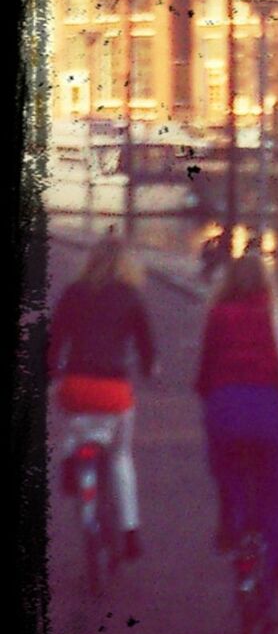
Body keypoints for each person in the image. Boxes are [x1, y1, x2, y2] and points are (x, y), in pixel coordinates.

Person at [194, 250, 278, 627]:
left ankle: (231, 524)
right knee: (276, 505)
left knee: (228, 475)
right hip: (268, 413)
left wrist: (211, 393)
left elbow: (205, 371)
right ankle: (273, 597)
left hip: (225, 411)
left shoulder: (218, 315)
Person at [49, 234, 156, 560]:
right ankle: (130, 530)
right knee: (121, 455)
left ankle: (71, 460)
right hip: (113, 389)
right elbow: (146, 345)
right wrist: (151, 369)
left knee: (74, 422)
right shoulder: (131, 296)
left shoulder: (73, 293)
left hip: (77, 384)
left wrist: (51, 374)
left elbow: (54, 342)